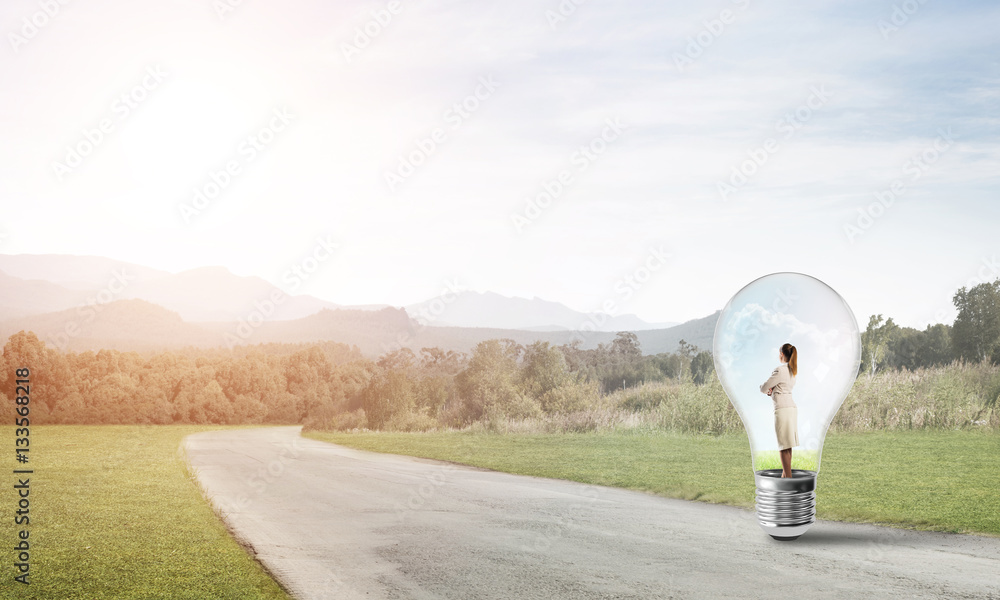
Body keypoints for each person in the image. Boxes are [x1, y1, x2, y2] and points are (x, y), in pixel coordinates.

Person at [760, 343, 798, 478]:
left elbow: (764, 387)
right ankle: (784, 476)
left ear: (781, 354)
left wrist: (768, 389)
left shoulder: (780, 370)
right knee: (788, 445)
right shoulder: (792, 371)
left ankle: (788, 479)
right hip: (791, 409)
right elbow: (782, 387)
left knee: (783, 446)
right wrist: (773, 389)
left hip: (782, 409)